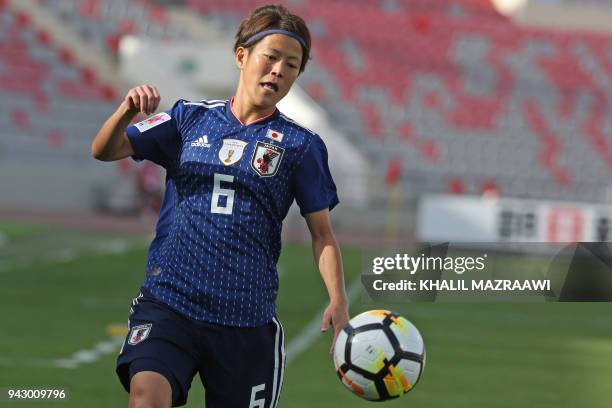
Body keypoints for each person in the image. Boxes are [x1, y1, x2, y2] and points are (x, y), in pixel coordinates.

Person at [91, 4, 349, 408]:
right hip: (170, 303)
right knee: (146, 397)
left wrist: (338, 299)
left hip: (246, 322)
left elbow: (322, 234)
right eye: (271, 57)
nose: (279, 70)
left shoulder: (302, 146)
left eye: (292, 64)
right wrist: (125, 110)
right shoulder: (187, 119)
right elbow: (104, 150)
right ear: (242, 55)